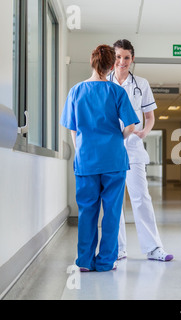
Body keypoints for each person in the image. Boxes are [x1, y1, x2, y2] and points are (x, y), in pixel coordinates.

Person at [60, 44, 139, 272]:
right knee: (112, 212)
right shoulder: (116, 91)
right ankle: (105, 262)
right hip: (113, 159)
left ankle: (84, 261)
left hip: (86, 160)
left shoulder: (76, 91)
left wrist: (80, 149)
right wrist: (118, 137)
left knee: (87, 211)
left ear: (92, 62)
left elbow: (72, 128)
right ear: (112, 65)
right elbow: (131, 126)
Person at [110, 39, 173, 262]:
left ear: (132, 59)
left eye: (126, 57)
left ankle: (154, 248)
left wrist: (144, 132)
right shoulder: (103, 82)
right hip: (110, 148)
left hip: (133, 148)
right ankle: (117, 248)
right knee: (113, 199)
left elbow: (149, 116)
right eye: (118, 57)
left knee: (141, 197)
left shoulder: (141, 84)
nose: (122, 61)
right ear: (112, 58)